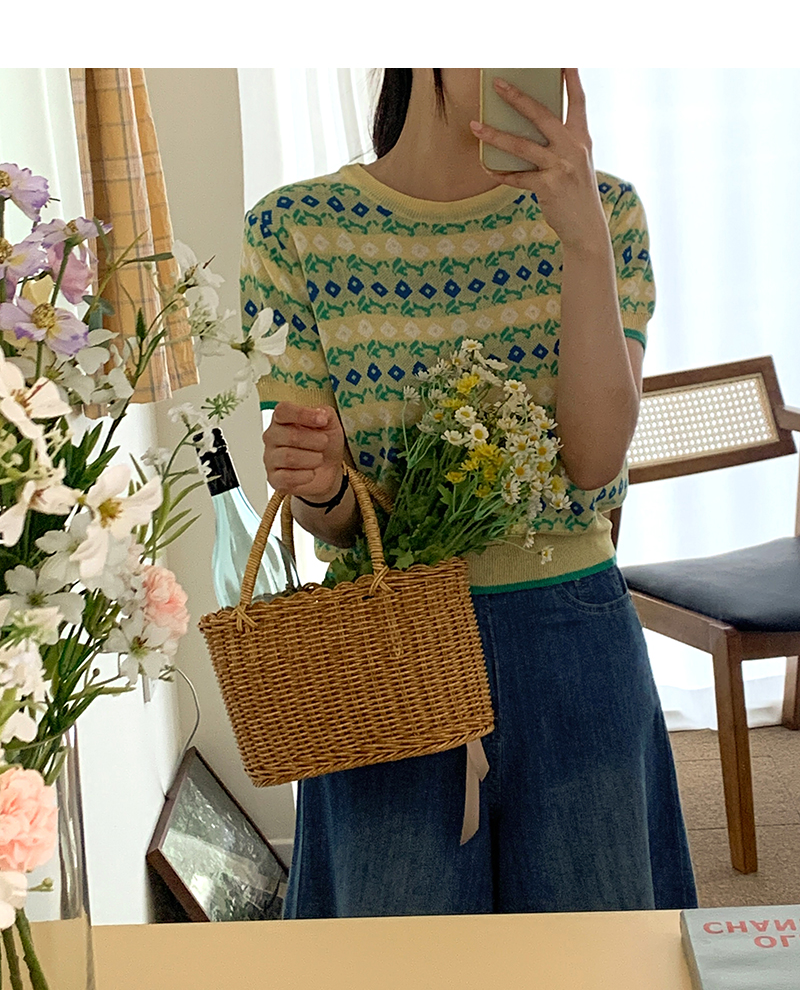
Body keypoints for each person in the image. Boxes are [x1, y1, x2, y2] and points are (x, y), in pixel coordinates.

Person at [241, 68, 697, 918]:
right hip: (387, 650)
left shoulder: (606, 212)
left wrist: (583, 241)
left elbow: (594, 462)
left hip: (572, 639)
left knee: (596, 975)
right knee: (396, 984)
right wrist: (320, 483)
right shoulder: (294, 229)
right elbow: (330, 524)